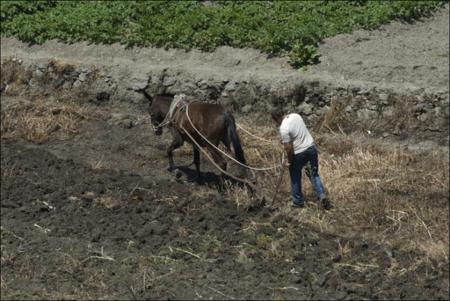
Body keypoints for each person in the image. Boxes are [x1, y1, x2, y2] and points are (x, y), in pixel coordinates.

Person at [271, 107, 331, 210]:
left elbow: (288, 148)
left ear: (276, 118)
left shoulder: (283, 128)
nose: (276, 123)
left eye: (275, 120)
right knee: (314, 173)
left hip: (299, 153)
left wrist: (289, 161)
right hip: (311, 148)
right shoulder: (296, 116)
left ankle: (298, 202)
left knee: (295, 176)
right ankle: (322, 196)